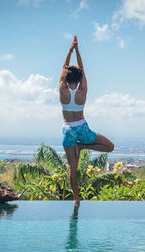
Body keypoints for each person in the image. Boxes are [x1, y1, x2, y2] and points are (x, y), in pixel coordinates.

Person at [59, 35, 114, 207]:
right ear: (80, 78)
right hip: (82, 128)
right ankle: (82, 146)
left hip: (68, 130)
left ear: (67, 79)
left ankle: (76, 199)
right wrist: (77, 49)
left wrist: (70, 49)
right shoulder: (83, 90)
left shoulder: (62, 89)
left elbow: (63, 68)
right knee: (109, 147)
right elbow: (81, 68)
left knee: (71, 168)